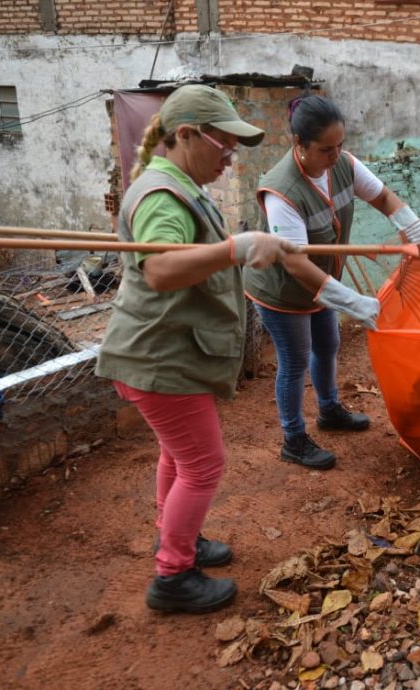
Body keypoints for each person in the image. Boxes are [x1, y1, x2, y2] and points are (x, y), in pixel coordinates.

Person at [96, 84, 293, 614]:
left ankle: (177, 536)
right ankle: (173, 576)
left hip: (161, 351)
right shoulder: (163, 195)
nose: (230, 158)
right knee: (203, 464)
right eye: (224, 145)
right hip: (160, 356)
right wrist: (234, 250)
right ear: (185, 135)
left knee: (179, 456)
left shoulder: (177, 184)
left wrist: (236, 249)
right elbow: (160, 269)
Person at [244, 95, 420, 470]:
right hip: (282, 290)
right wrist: (352, 301)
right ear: (299, 144)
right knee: (295, 359)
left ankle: (329, 409)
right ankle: (293, 439)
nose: (335, 156)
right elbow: (296, 263)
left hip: (323, 282)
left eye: (340, 145)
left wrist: (415, 231)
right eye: (325, 149)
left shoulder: (343, 164)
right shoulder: (281, 190)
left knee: (328, 343)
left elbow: (383, 197)